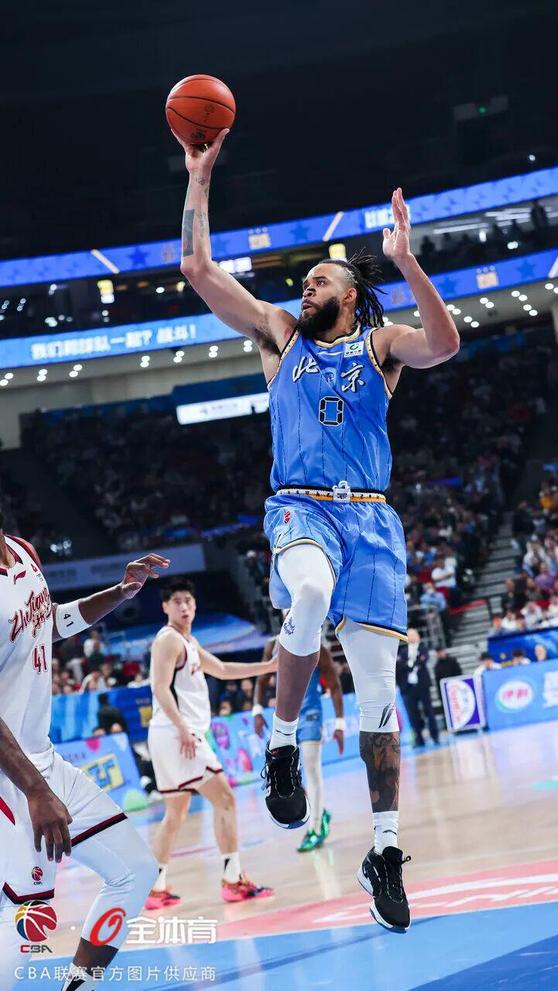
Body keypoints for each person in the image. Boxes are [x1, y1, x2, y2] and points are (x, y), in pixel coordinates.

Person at [176, 127, 460, 934]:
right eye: (304, 280)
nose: (306, 287)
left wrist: (406, 262)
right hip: (300, 505)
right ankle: (281, 743)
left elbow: (446, 344)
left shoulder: (382, 345)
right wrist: (199, 177)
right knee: (306, 591)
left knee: (379, 693)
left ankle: (386, 849)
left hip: (371, 518)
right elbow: (198, 269)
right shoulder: (281, 335)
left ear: (353, 294)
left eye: (320, 278)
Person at [0, 509, 170, 991]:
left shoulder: (23, 552)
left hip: (43, 759)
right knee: (25, 913)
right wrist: (36, 791)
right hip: (10, 776)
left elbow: (48, 624)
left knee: (135, 870)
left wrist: (119, 593)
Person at [146, 579, 277, 908]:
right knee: (226, 800)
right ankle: (233, 880)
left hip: (168, 734)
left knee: (175, 814)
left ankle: (154, 887)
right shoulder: (169, 640)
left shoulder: (188, 641)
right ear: (165, 607)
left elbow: (222, 669)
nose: (184, 606)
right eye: (177, 601)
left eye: (188, 600)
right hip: (178, 734)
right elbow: (159, 687)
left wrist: (269, 666)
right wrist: (183, 729)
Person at [254, 636, 344, 853]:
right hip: (284, 717)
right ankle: (319, 811)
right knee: (290, 773)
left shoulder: (316, 644)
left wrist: (340, 723)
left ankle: (315, 828)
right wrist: (256, 711)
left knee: (312, 769)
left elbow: (334, 684)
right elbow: (262, 680)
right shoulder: (273, 645)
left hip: (310, 713)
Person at [396, 629, 439, 748]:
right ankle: (419, 739)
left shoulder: (423, 648)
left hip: (422, 685)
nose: (412, 637)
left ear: (418, 636)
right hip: (408, 688)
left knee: (428, 710)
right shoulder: (403, 651)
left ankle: (435, 735)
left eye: (413, 635)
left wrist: (410, 665)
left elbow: (423, 660)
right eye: (409, 635)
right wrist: (413, 664)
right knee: (413, 714)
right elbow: (401, 665)